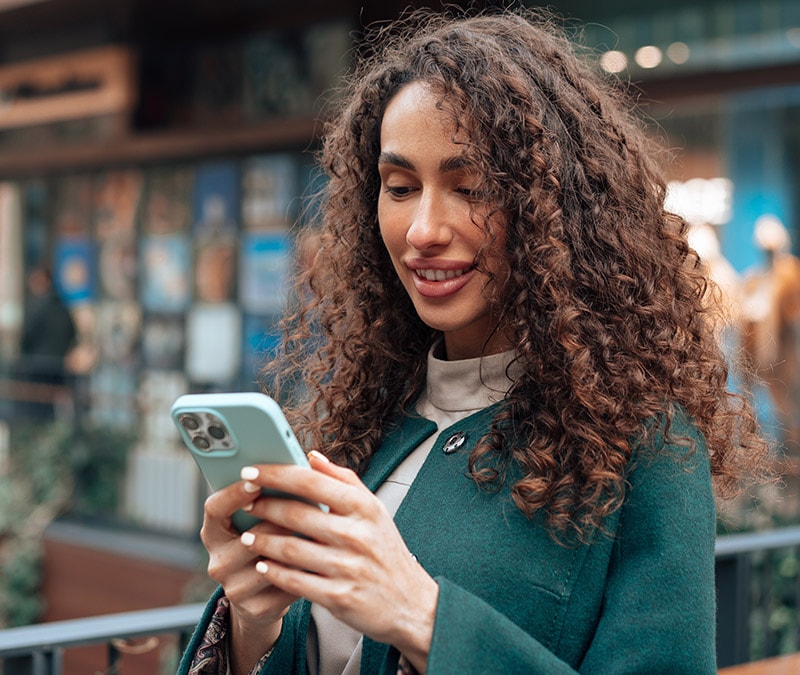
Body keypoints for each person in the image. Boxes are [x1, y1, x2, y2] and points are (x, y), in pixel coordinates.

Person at [178, 8, 769, 674]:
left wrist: (425, 621)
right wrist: (253, 625)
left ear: (555, 209)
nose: (424, 227)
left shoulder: (646, 448)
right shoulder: (364, 418)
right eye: (401, 187)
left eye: (472, 187)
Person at [17, 264, 77, 421]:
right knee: (53, 406)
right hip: (58, 364)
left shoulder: (38, 307)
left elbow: (26, 336)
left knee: (38, 409)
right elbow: (72, 332)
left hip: (38, 366)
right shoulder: (62, 306)